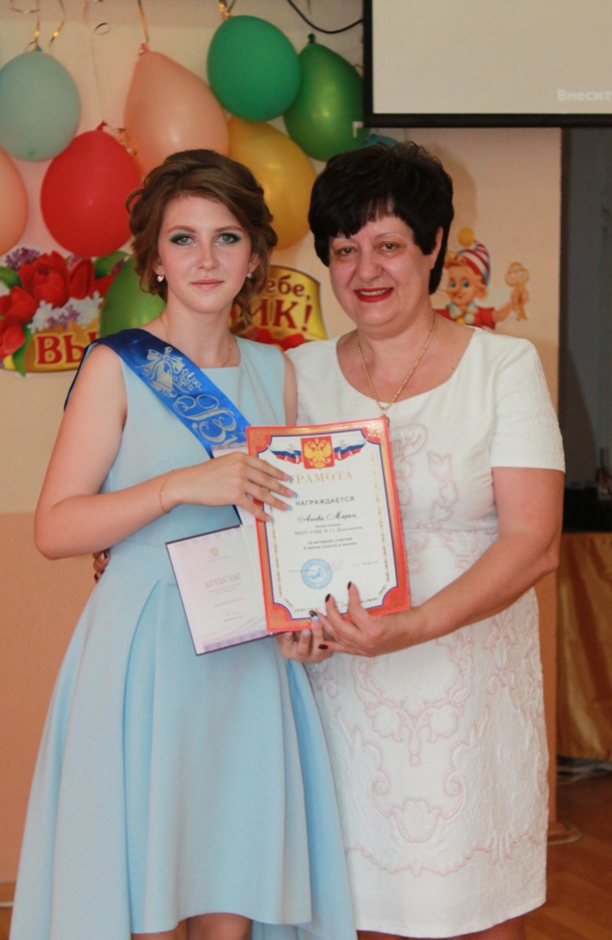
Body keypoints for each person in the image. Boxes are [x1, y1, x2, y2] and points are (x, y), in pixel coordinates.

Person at [10, 150, 356, 940]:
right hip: (145, 653)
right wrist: (175, 488)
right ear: (155, 259)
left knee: (231, 895)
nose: (206, 259)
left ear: (255, 256)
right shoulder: (117, 366)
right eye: (183, 239)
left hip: (246, 660)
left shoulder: (278, 373)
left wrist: (308, 619)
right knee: (144, 901)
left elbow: (290, 527)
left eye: (226, 238)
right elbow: (54, 528)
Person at [281, 142, 565, 940]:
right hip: (342, 699)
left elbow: (534, 541)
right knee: (355, 915)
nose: (364, 270)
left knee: (473, 916)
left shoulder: (503, 366)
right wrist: (290, 626)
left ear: (433, 245)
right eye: (344, 250)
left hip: (465, 696)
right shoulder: (297, 374)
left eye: (388, 245)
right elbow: (270, 526)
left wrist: (408, 628)